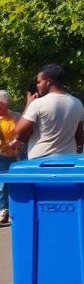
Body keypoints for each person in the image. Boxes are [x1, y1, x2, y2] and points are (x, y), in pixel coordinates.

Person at [10, 64, 84, 159]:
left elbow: (18, 133)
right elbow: (80, 137)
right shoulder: (77, 103)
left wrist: (28, 105)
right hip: (68, 160)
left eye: (39, 82)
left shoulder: (38, 104)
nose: (38, 86)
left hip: (41, 162)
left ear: (48, 82)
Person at [0, 91, 20, 226]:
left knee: (14, 184)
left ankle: (14, 211)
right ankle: (3, 211)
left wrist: (19, 145)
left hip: (15, 156)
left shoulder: (17, 116)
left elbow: (24, 134)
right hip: (0, 156)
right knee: (1, 185)